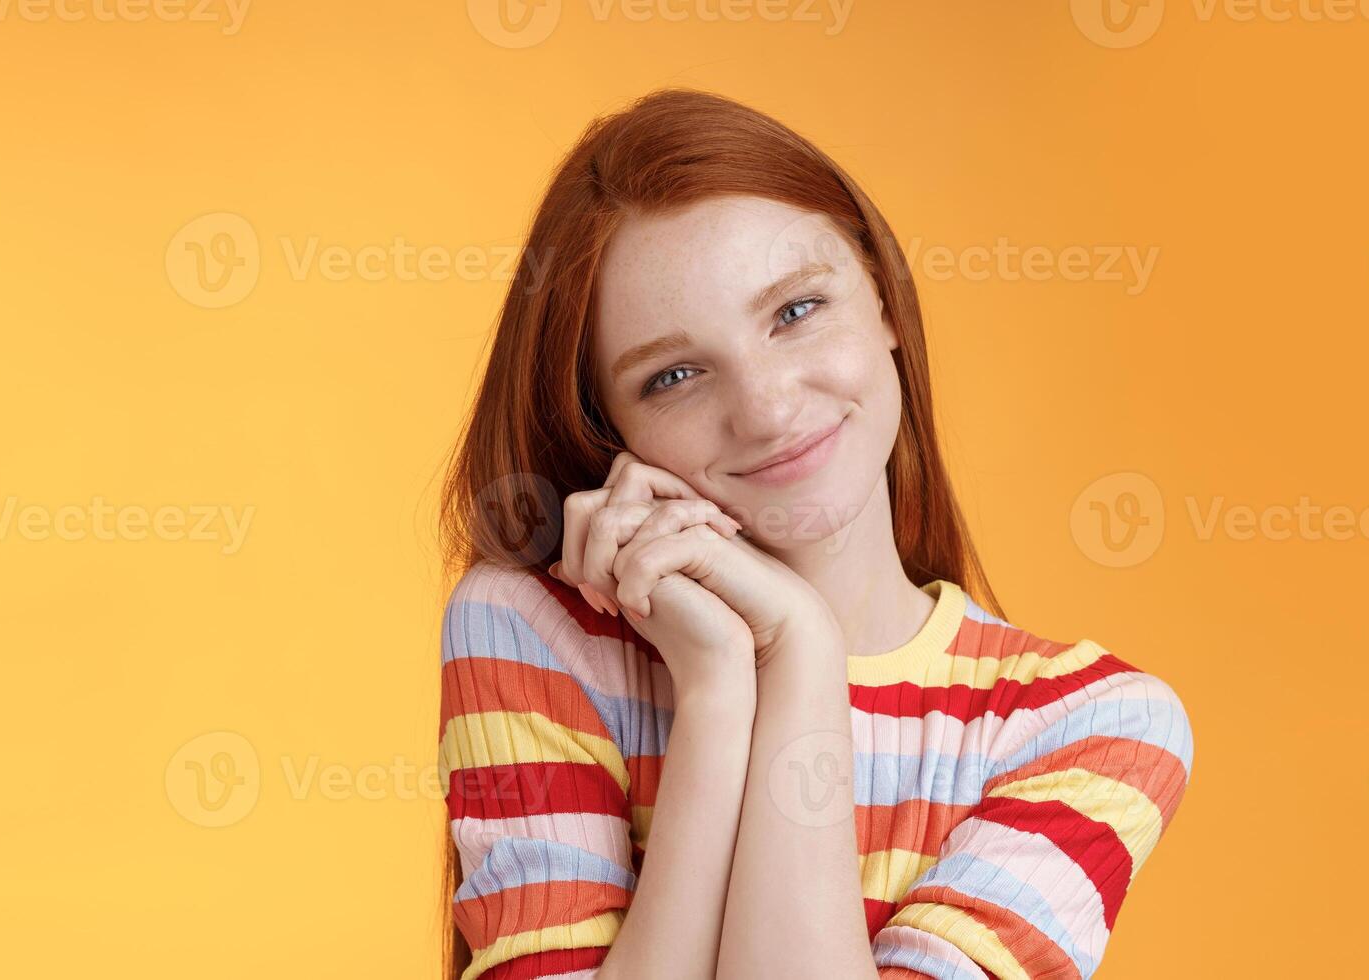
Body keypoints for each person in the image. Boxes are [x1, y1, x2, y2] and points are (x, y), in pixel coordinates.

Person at [434, 88, 1193, 980]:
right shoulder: (533, 632)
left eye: (795, 312)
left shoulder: (1089, 727)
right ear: (610, 431)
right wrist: (719, 690)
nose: (767, 409)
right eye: (675, 375)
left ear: (882, 299)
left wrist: (798, 654)